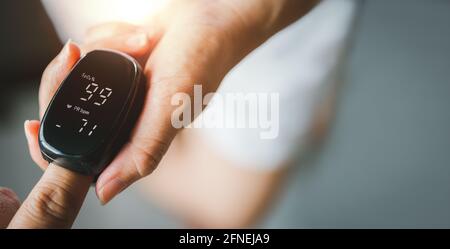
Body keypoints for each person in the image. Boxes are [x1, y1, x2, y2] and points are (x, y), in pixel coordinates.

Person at [1, 0, 358, 228]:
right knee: (161, 165)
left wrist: (234, 15)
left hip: (266, 32)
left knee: (226, 208)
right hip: (113, 22)